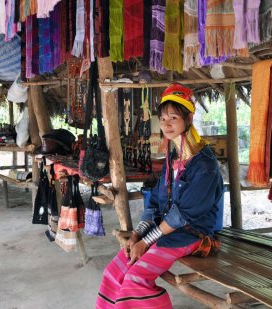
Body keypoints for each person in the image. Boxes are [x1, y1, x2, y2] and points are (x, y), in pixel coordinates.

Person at [96, 84, 224, 309]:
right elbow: (155, 201)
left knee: (135, 281)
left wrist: (146, 241)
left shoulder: (205, 165)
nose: (166, 124)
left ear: (189, 118)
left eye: (173, 117)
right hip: (166, 230)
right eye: (163, 118)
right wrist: (136, 235)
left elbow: (182, 215)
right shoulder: (173, 157)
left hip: (191, 235)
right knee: (114, 270)